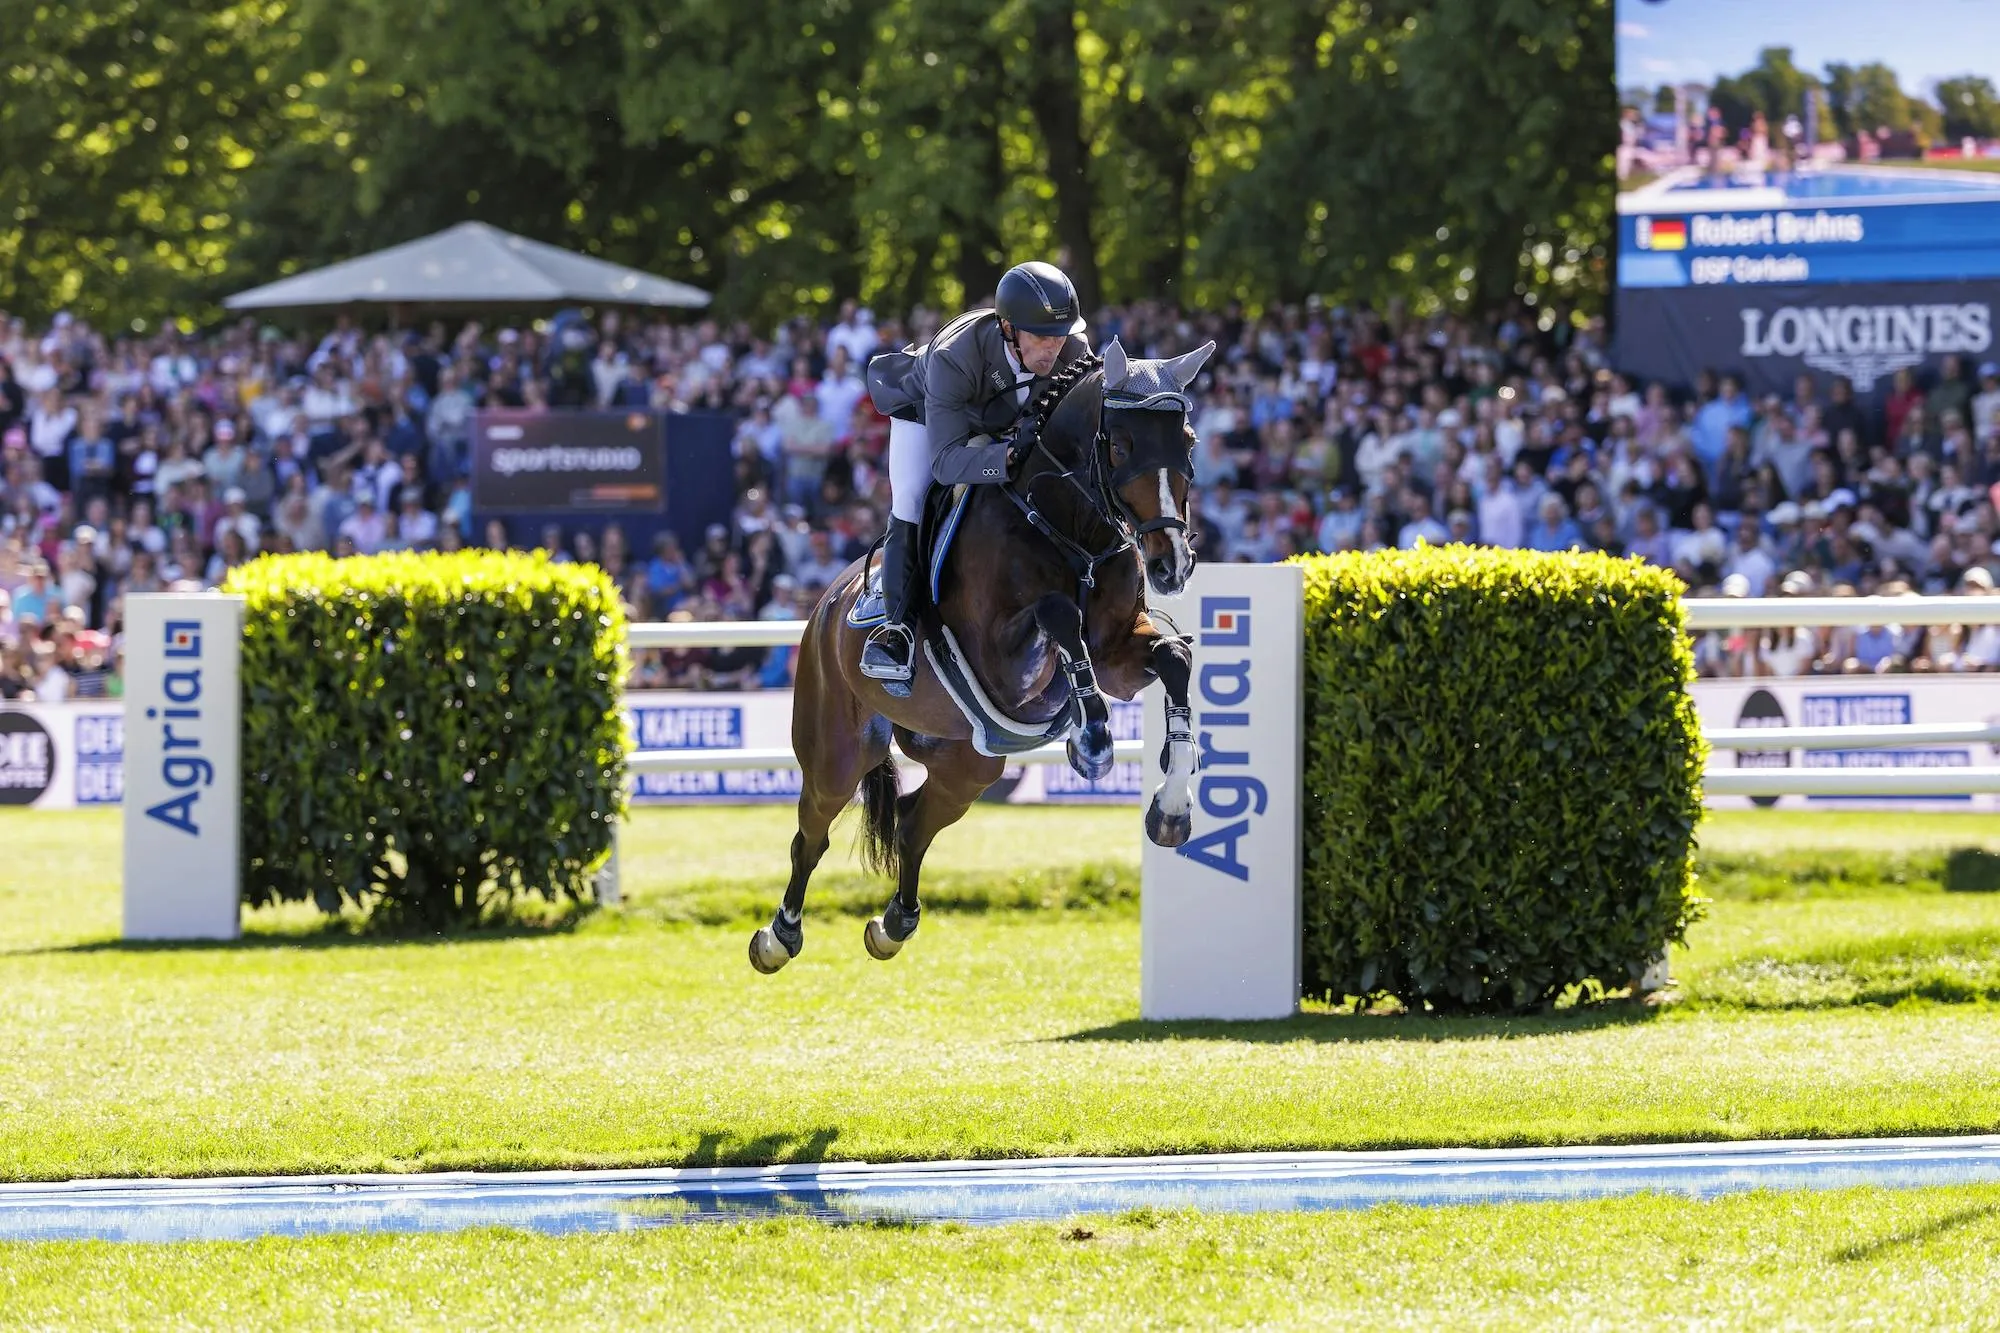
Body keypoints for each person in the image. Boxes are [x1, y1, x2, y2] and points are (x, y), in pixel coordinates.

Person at [858, 261, 1091, 690]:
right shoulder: (954, 357)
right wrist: (1006, 459)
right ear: (1007, 328)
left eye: (1058, 337)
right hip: (928, 415)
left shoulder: (1073, 349)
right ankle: (897, 631)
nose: (1051, 350)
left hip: (1001, 419)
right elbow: (946, 464)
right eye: (1040, 337)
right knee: (910, 497)